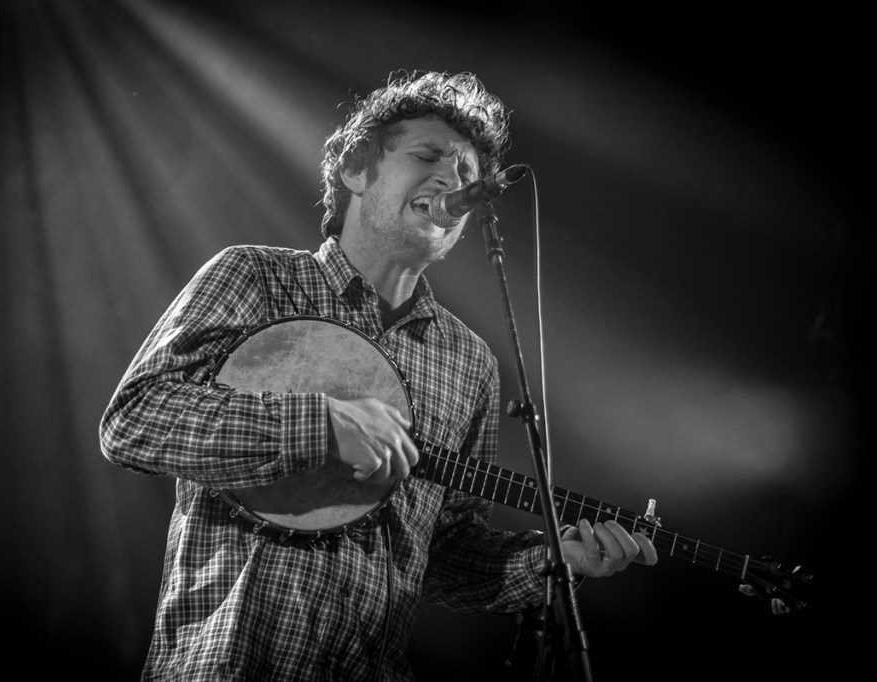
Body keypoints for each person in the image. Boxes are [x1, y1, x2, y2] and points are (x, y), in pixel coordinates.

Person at [99, 70, 657, 681]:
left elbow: (443, 554)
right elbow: (135, 421)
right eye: (428, 156)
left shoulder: (470, 363)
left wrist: (551, 560)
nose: (454, 180)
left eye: (470, 176)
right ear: (356, 172)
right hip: (229, 662)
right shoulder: (256, 278)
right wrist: (318, 423)